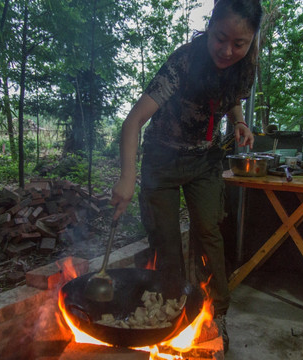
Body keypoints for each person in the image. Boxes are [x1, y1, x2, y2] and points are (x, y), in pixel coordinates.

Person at [110, 0, 263, 352]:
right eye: (220, 38)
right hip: (161, 160)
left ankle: (215, 315)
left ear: (251, 41)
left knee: (209, 232)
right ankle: (170, 310)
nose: (227, 50)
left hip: (204, 159)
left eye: (239, 44)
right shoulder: (183, 62)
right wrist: (127, 176)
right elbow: (133, 121)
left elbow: (232, 96)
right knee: (165, 242)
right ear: (209, 28)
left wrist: (239, 120)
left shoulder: (246, 66)